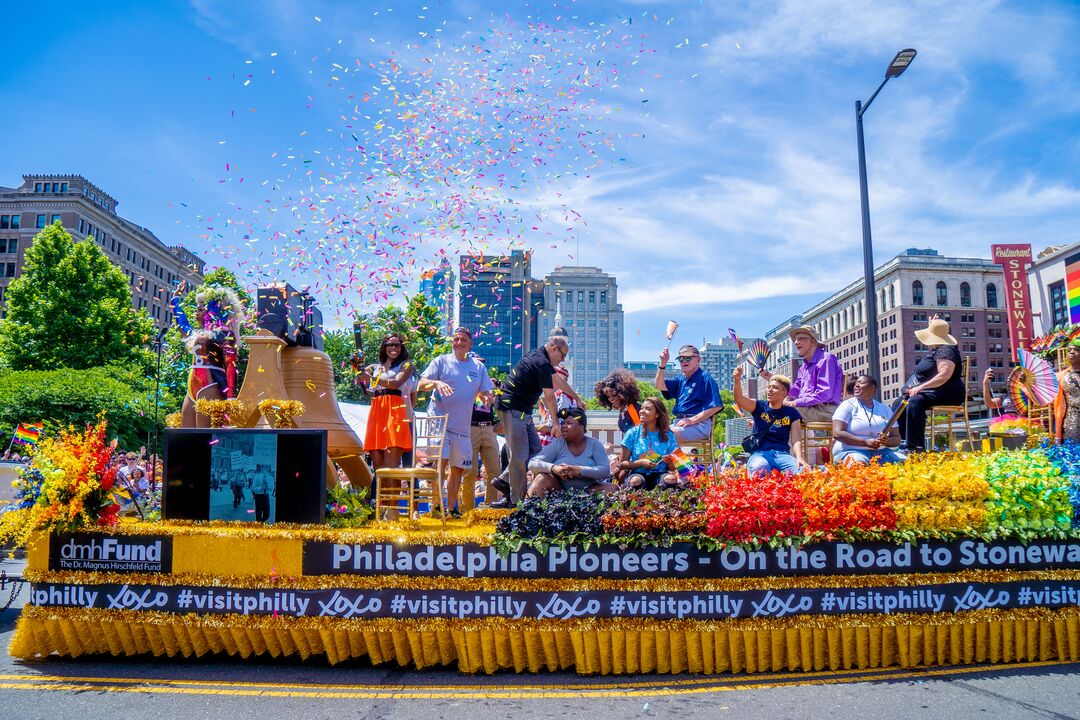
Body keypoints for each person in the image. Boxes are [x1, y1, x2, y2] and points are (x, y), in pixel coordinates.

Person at [418, 327, 495, 517]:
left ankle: (451, 508)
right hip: (440, 422)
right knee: (440, 465)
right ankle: (436, 507)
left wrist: (487, 396)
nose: (459, 342)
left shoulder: (478, 367)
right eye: (456, 339)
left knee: (458, 469)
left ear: (470, 344)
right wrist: (436, 383)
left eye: (463, 340)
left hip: (462, 426)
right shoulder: (441, 361)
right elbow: (421, 384)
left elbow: (486, 391)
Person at [490, 337, 568, 507]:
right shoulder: (541, 362)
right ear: (554, 349)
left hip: (524, 412)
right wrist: (555, 423)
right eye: (562, 356)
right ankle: (516, 502)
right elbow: (549, 397)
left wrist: (576, 397)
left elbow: (559, 381)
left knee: (536, 452)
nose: (563, 360)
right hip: (512, 408)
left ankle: (504, 480)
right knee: (519, 456)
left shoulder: (543, 360)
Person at [760, 326, 843, 463]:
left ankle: (785, 459)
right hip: (809, 410)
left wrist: (795, 403)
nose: (797, 342)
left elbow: (825, 393)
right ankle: (794, 459)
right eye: (796, 340)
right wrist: (773, 378)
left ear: (814, 342)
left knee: (785, 412)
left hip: (826, 410)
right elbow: (794, 390)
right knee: (779, 411)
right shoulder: (803, 366)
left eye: (802, 339)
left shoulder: (827, 359)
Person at [892, 316, 965, 452]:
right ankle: (899, 441)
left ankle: (916, 447)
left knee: (915, 401)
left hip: (948, 392)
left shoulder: (946, 350)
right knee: (899, 403)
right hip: (935, 391)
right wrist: (932, 325)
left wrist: (921, 387)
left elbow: (945, 375)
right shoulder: (938, 349)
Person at [732, 366, 808, 476]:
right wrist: (737, 380)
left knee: (802, 472)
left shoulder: (792, 413)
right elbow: (739, 399)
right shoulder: (759, 406)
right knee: (759, 468)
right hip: (760, 454)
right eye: (769, 387)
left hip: (783, 455)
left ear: (783, 393)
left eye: (775, 387)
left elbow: (796, 439)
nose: (770, 390)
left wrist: (800, 458)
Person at [527, 408, 615, 497]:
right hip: (559, 492)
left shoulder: (595, 445)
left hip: (588, 493)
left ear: (581, 427)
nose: (563, 426)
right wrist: (554, 468)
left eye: (569, 423)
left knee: (612, 488)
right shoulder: (558, 443)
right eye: (563, 423)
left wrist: (579, 470)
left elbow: (605, 470)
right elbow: (533, 463)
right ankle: (525, 509)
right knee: (541, 478)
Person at [359, 333, 415, 472]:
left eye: (397, 344)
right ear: (384, 347)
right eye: (390, 344)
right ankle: (379, 494)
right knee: (378, 466)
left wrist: (372, 378)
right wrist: (357, 365)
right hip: (378, 410)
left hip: (395, 410)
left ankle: (393, 494)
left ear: (402, 347)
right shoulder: (374, 367)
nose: (394, 347)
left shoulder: (406, 365)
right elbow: (366, 388)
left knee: (391, 466)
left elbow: (395, 384)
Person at [655, 344, 723, 443]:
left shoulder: (705, 378)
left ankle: (673, 458)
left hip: (699, 425)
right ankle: (671, 458)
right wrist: (663, 363)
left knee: (664, 435)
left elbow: (716, 406)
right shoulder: (680, 379)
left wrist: (692, 420)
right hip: (679, 424)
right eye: (681, 359)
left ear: (698, 360)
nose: (684, 361)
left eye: (688, 358)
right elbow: (659, 385)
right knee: (652, 433)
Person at [831, 375, 903, 465]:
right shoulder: (847, 405)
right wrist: (864, 442)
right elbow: (837, 433)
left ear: (872, 388)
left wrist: (886, 441)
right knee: (859, 465)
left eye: (861, 383)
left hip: (882, 452)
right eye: (856, 383)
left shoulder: (885, 409)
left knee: (906, 463)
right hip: (851, 451)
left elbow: (897, 438)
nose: (856, 385)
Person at [617, 397, 680, 489]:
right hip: (637, 474)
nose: (642, 411)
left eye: (648, 409)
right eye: (642, 408)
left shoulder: (669, 435)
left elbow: (675, 467)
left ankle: (666, 503)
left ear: (657, 414)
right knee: (636, 481)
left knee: (670, 479)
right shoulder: (632, 433)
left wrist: (669, 463)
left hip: (661, 474)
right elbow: (622, 464)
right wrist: (641, 462)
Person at [464, 373, 504, 507]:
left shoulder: (489, 387)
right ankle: (467, 509)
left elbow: (500, 406)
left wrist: (497, 392)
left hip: (489, 428)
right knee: (470, 471)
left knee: (494, 470)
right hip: (471, 427)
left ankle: (490, 506)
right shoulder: (466, 383)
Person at [595, 369, 642, 434]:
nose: (611, 399)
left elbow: (641, 435)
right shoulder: (623, 411)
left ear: (622, 393)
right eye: (608, 396)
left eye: (614, 395)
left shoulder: (632, 409)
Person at [1055, 339, 1080, 444]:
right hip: (1071, 424)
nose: (1072, 352)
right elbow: (1043, 395)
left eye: (1076, 350)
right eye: (1069, 350)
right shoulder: (1061, 376)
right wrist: (1028, 382)